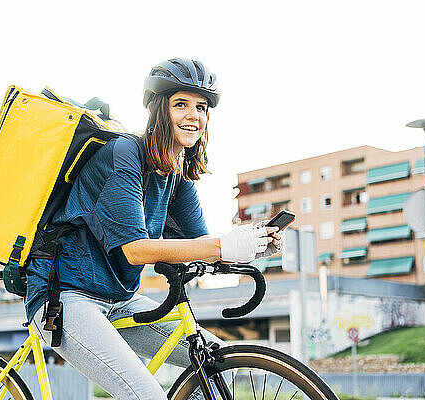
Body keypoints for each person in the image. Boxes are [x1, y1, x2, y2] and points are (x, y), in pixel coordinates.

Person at [25, 57, 282, 400]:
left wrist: (253, 243)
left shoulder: (176, 174)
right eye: (181, 104)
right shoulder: (123, 155)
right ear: (160, 110)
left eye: (201, 107)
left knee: (222, 360)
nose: (194, 116)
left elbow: (202, 244)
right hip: (63, 300)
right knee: (147, 395)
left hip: (120, 301)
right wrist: (223, 246)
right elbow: (136, 250)